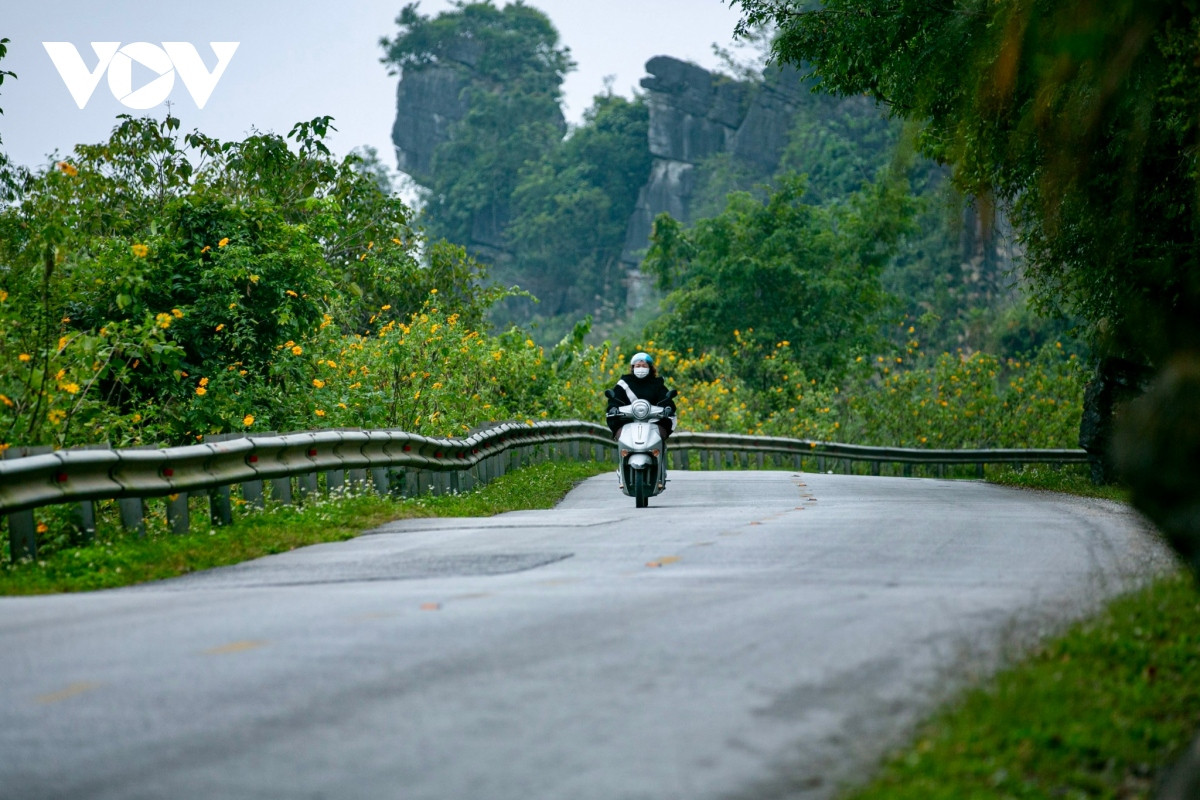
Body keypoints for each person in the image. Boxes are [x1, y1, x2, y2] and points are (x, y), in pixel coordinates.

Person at [606, 352, 677, 441]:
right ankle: (624, 454)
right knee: (622, 438)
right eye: (638, 366)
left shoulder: (657, 384)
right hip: (627, 424)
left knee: (660, 436)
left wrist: (668, 408)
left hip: (654, 424)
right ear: (633, 368)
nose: (641, 368)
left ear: (650, 368)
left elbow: (665, 399)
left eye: (644, 366)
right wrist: (613, 408)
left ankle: (658, 453)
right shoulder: (624, 383)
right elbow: (615, 400)